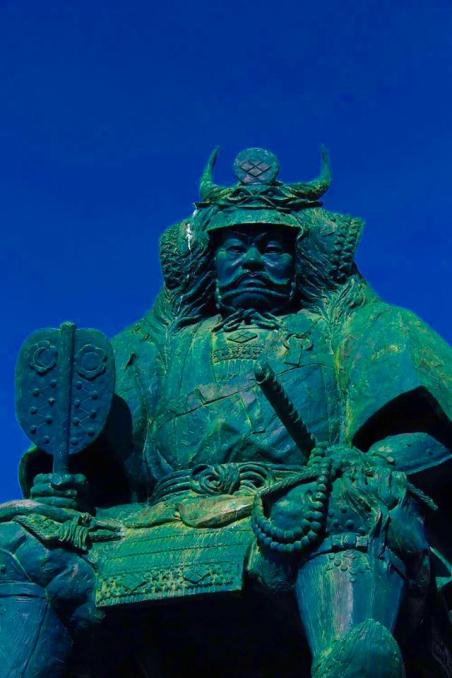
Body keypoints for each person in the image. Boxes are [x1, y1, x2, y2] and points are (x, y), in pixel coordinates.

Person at [1, 147, 451, 677]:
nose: (252, 259)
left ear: (300, 260)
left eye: (272, 248)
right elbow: (95, 453)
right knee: (20, 539)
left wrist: (368, 464)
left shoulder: (356, 328)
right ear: (209, 260)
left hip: (294, 505)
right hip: (155, 523)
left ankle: (349, 657)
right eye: (235, 246)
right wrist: (71, 488)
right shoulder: (155, 346)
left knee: (353, 503)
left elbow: (421, 428)